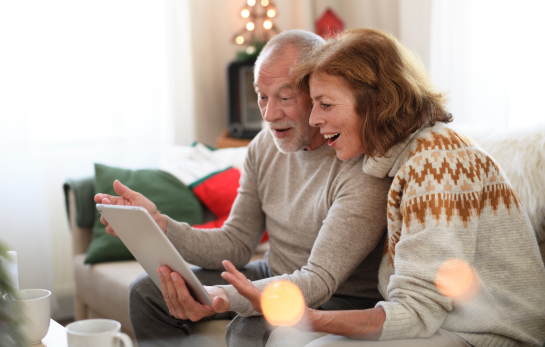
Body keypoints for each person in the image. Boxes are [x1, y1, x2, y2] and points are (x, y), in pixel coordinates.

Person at [222, 28, 545, 347]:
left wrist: (308, 317)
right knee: (288, 339)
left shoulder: (437, 161)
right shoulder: (394, 160)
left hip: (490, 335)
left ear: (374, 103)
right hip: (441, 324)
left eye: (326, 104)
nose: (314, 119)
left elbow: (417, 312)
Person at [95, 30, 394, 346]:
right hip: (274, 271)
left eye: (284, 97)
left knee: (245, 331)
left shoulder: (360, 165)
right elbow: (236, 242)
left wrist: (223, 295)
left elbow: (317, 281)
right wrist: (161, 226)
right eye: (262, 96)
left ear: (318, 91)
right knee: (146, 291)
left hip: (337, 295)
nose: (269, 114)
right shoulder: (264, 146)